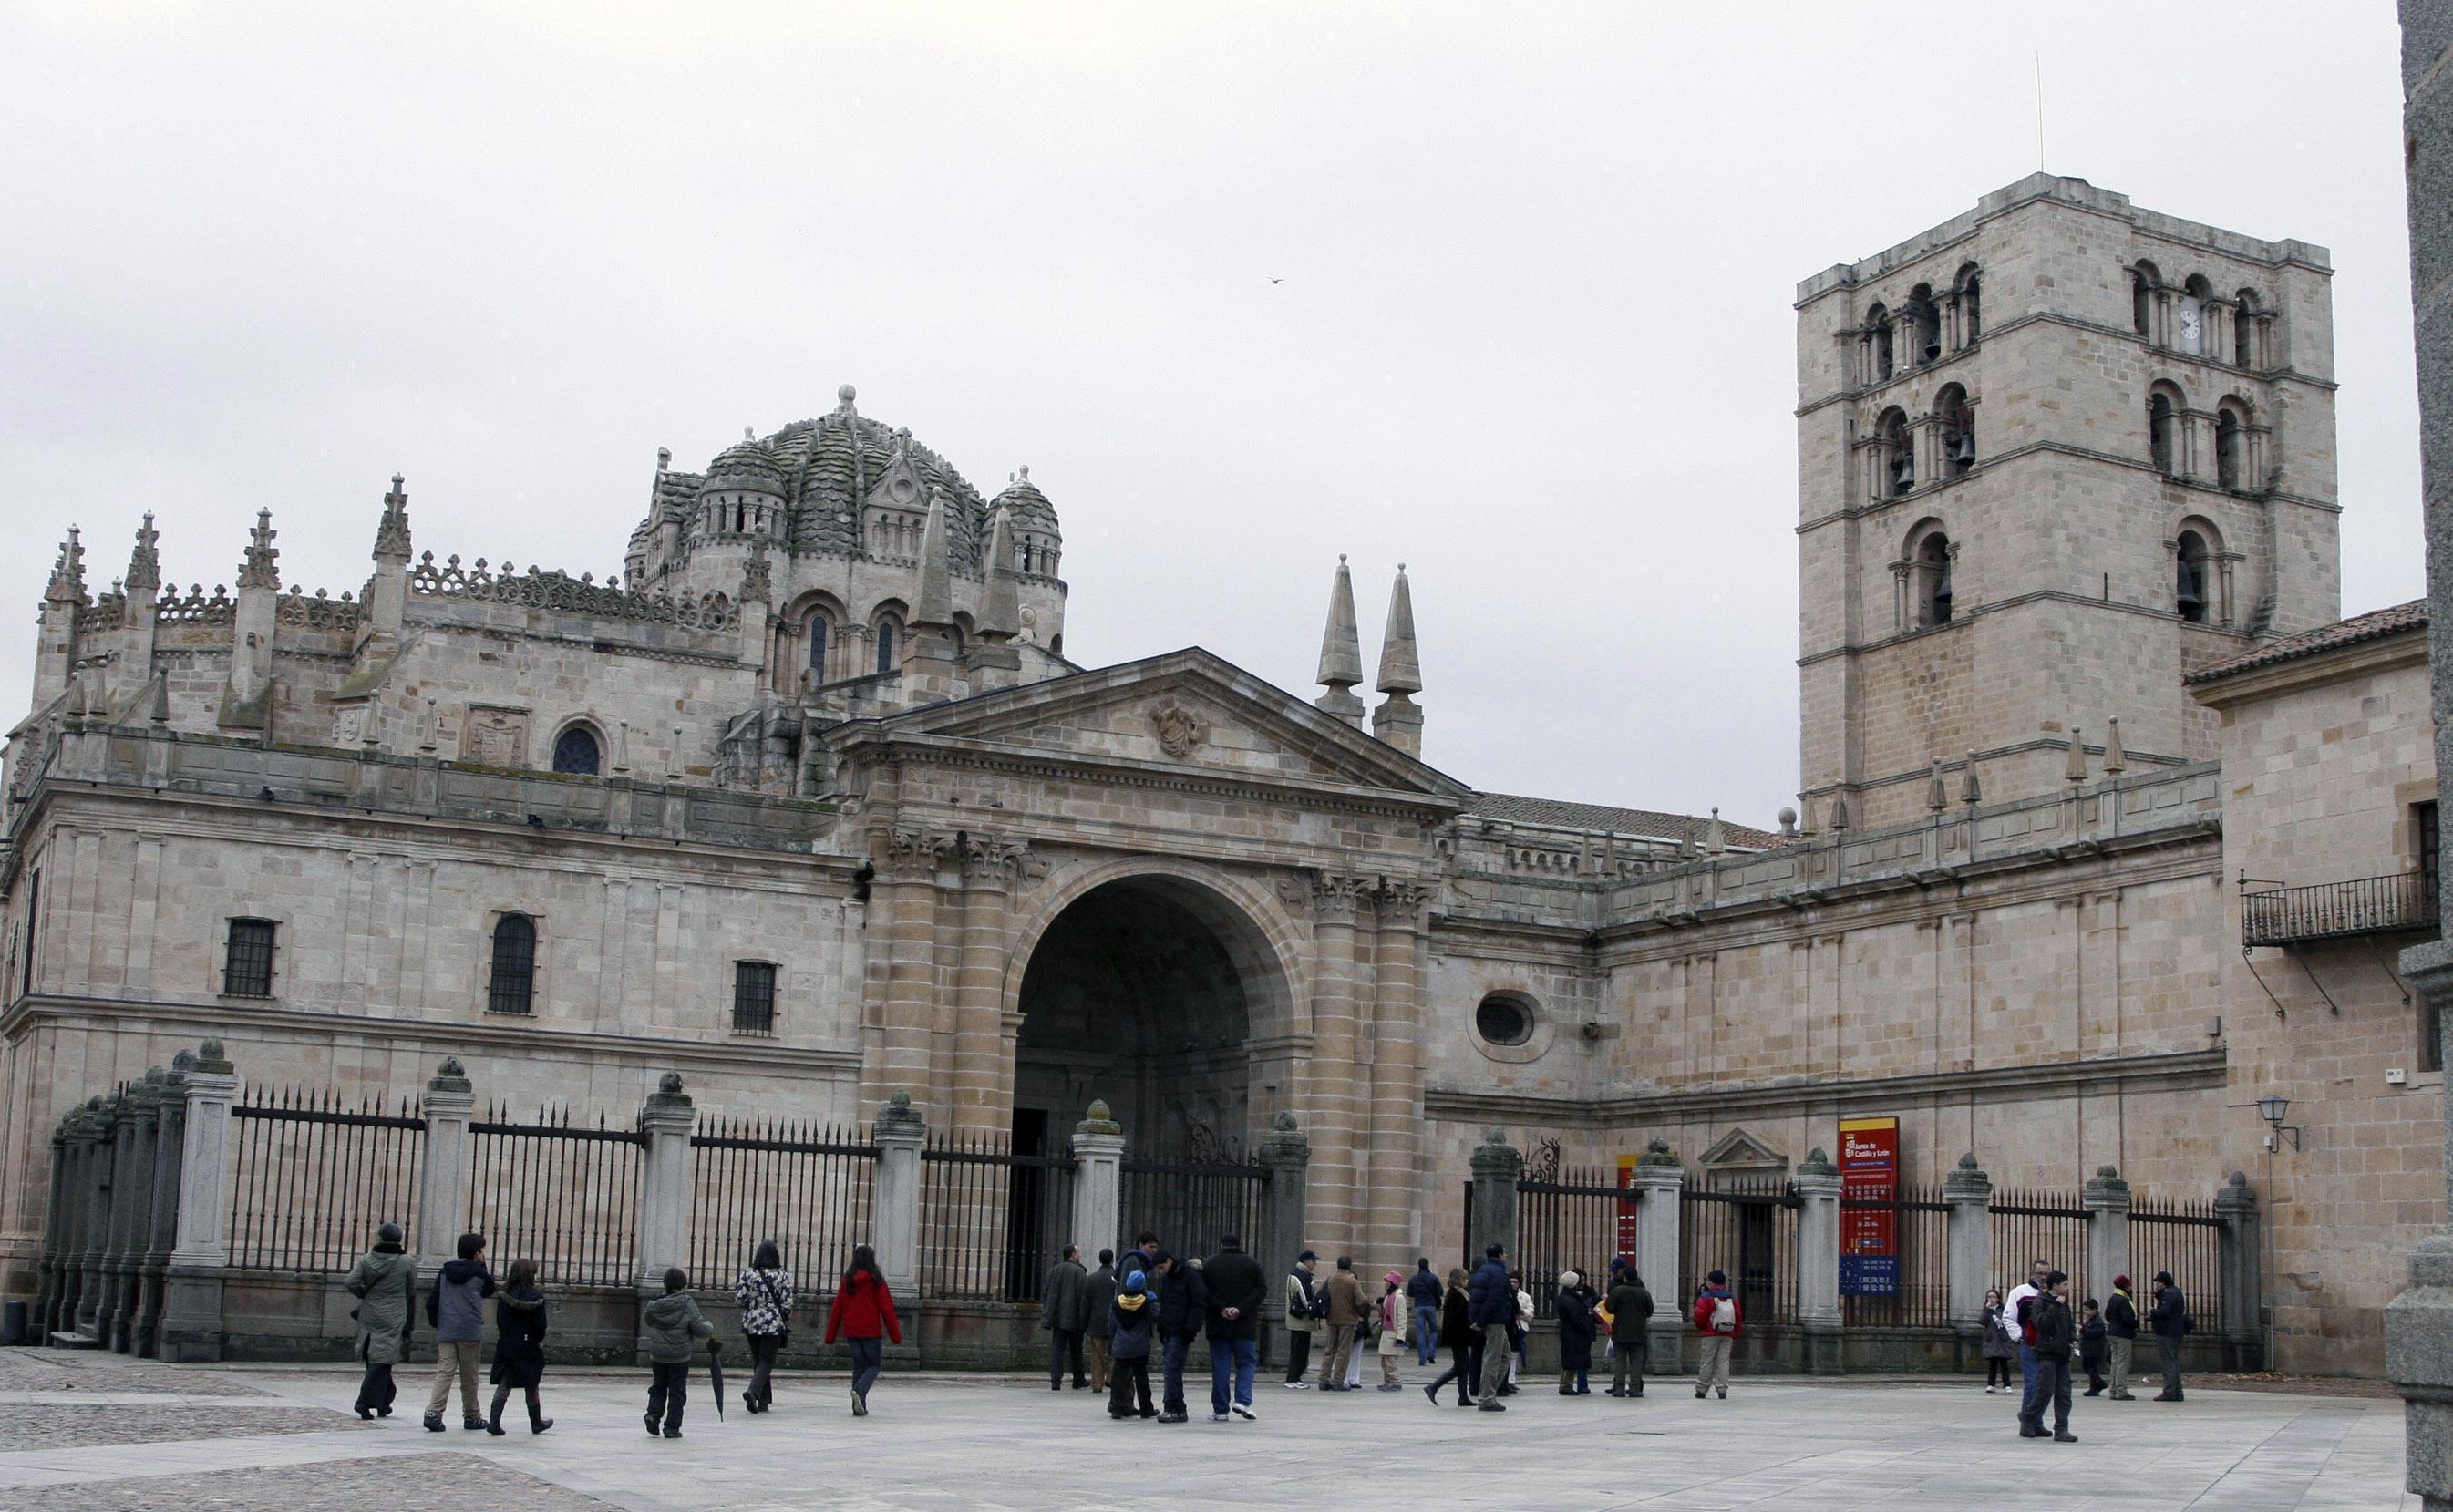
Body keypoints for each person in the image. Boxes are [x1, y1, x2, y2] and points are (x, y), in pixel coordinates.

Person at [422, 1232, 497, 1432]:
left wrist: (437, 1322)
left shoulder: (445, 1272)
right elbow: (489, 1290)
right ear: (477, 1253)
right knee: (469, 1375)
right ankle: (472, 1415)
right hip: (470, 1329)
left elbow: (432, 1301)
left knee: (444, 1371)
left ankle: (434, 1411)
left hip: (447, 1328)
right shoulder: (480, 1274)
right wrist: (483, 1266)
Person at [343, 1220, 415, 1421]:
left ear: (380, 1237)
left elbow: (351, 1281)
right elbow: (411, 1289)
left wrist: (365, 1294)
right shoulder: (406, 1261)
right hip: (394, 1313)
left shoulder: (367, 1259)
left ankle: (384, 1402)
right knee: (383, 1358)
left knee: (375, 1354)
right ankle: (364, 1401)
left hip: (370, 1311)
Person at [823, 1242, 902, 1416]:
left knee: (859, 1366)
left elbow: (837, 1308)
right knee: (874, 1365)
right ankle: (859, 1391)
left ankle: (858, 1406)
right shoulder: (876, 1280)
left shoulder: (848, 1280)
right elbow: (887, 1309)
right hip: (871, 1331)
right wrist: (895, 1336)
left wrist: (830, 1336)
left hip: (852, 1331)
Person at [641, 1265, 714, 1439]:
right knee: (677, 1391)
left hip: (659, 1353)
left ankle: (653, 1415)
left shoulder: (655, 1304)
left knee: (658, 1386)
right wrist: (709, 1327)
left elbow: (648, 1320)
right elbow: (698, 1328)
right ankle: (672, 1427)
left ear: (665, 1284)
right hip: (679, 1355)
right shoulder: (687, 1303)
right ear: (683, 1284)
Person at [1201, 1233, 1265, 1421]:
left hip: (1218, 1323)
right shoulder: (1251, 1264)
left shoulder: (1210, 1264)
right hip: (1244, 1323)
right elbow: (1261, 1290)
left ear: (1221, 1245)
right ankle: (1242, 1400)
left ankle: (1220, 1410)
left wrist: (1222, 1308)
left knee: (1220, 1365)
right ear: (1239, 1245)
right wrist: (1240, 1309)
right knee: (1246, 1362)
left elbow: (1203, 1292)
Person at [486, 1257, 551, 1435]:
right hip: (529, 1345)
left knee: (505, 1383)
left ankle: (494, 1421)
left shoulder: (504, 1296)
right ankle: (536, 1422)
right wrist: (537, 1340)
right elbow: (540, 1325)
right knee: (531, 1383)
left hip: (508, 1344)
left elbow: (500, 1321)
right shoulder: (536, 1297)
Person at [734, 1238, 793, 1414]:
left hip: (752, 1322)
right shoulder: (781, 1275)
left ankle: (763, 1401)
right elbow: (787, 1303)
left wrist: (753, 1307)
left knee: (758, 1359)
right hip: (773, 1322)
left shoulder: (748, 1274)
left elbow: (740, 1298)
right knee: (767, 1360)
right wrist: (782, 1315)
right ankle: (753, 1392)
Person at [2017, 1270, 2077, 1442]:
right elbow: (2041, 1323)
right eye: (2065, 1284)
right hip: (2047, 1353)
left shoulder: (2064, 1304)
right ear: (2055, 1286)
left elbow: (2070, 1325)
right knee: (2045, 1390)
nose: (2068, 1288)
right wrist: (2055, 1306)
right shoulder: (2041, 1301)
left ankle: (2061, 1428)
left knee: (2064, 1393)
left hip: (2063, 1353)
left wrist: (2073, 1338)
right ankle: (2028, 1417)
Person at [1152, 1250, 1207, 1423]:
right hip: (1169, 1330)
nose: (1161, 1271)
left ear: (1169, 1261)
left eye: (1162, 1267)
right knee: (1172, 1370)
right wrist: (1161, 1327)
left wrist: (1190, 1329)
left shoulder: (1189, 1276)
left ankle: (1171, 1407)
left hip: (1181, 1330)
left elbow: (1198, 1304)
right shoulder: (1168, 1278)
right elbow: (1164, 1304)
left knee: (1171, 1369)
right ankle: (1178, 1408)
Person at [2004, 1259, 2052, 1427]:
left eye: (2046, 1274)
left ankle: (2037, 1422)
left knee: (2045, 1386)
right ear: (2032, 1274)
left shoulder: (2052, 1294)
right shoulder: (2020, 1292)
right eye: (2040, 1273)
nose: (2043, 1277)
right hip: (2030, 1344)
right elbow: (2009, 1317)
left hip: (2048, 1346)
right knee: (2033, 1384)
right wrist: (2020, 1336)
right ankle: (2028, 1422)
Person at [1468, 1242, 1514, 1411]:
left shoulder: (1483, 1271)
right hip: (1494, 1320)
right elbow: (1493, 1300)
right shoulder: (1499, 1274)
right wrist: (1481, 1321)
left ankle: (1488, 1390)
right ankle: (1486, 1397)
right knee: (1492, 1359)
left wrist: (1475, 1318)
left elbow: (1476, 1296)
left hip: (1489, 1318)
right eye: (1505, 1253)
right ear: (1500, 1255)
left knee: (1505, 1355)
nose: (1506, 1256)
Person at [1107, 1269, 1158, 1420]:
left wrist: (1113, 1341)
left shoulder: (1117, 1303)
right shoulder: (1146, 1303)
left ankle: (1116, 1408)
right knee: (1142, 1378)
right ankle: (1146, 1408)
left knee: (1118, 1378)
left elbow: (1111, 1325)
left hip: (1121, 1345)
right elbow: (1155, 1317)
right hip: (1140, 1346)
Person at [1424, 1266, 1478, 1406]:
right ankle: (1434, 1387)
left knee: (1463, 1366)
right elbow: (1457, 1317)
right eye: (1465, 1279)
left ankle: (1463, 1397)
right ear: (1458, 1280)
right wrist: (1470, 1326)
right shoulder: (1455, 1294)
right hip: (1458, 1335)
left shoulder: (1460, 1293)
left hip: (1460, 1335)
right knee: (1461, 1366)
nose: (1467, 1281)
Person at [1042, 1242, 1091, 1392]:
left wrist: (1049, 1310)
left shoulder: (1054, 1271)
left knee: (1058, 1349)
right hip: (1074, 1317)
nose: (1080, 1255)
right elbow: (1083, 1297)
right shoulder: (1079, 1272)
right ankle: (1078, 1379)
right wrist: (1084, 1317)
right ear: (1072, 1254)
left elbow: (1046, 1293)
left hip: (1057, 1317)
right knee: (1076, 1350)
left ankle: (1055, 1380)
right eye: (1078, 1252)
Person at [1321, 1255, 1368, 1390]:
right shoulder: (1352, 1281)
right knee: (1343, 1351)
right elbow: (1361, 1300)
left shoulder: (1330, 1279)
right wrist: (1359, 1312)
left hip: (1332, 1318)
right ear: (1349, 1266)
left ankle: (1323, 1379)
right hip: (1348, 1320)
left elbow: (1321, 1294)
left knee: (1330, 1349)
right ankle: (1337, 1380)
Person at [1604, 1265, 1653, 1397]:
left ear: (1625, 1277)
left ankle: (1619, 1387)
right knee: (1636, 1361)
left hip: (1620, 1330)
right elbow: (1650, 1311)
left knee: (1620, 1360)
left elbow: (1609, 1308)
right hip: (1638, 1331)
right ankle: (1635, 1387)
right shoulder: (1644, 1293)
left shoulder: (1618, 1291)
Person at [1692, 1268, 1739, 1400]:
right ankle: (1722, 1389)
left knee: (1707, 1360)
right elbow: (1738, 1315)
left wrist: (1701, 1327)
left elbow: (1700, 1314)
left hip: (1710, 1333)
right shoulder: (1732, 1297)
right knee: (1723, 1361)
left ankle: (1702, 1389)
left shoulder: (1706, 1296)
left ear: (1711, 1282)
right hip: (1728, 1332)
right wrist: (1735, 1332)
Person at [1283, 1250, 1324, 1389]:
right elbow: (1304, 1298)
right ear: (1307, 1261)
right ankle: (1294, 1378)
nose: (1315, 1264)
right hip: (1301, 1319)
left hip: (1294, 1318)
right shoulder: (1302, 1276)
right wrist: (1314, 1308)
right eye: (1313, 1261)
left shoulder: (1294, 1273)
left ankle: (1293, 1378)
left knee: (1296, 1349)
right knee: (1300, 1351)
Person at [1555, 1269, 1597, 1395]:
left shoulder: (1566, 1297)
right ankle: (1566, 1386)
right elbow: (1576, 1318)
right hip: (1573, 1334)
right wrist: (1586, 1324)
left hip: (1570, 1333)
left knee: (1569, 1359)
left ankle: (1565, 1384)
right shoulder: (1570, 1299)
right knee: (1571, 1360)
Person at [2149, 1270, 2189, 1402]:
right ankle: (2177, 1392)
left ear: (2163, 1283)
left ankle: (2170, 1391)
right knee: (2174, 1362)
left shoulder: (2168, 1294)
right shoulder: (2176, 1292)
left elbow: (2165, 1312)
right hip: (2176, 1331)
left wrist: (2153, 1312)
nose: (2156, 1286)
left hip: (2167, 1332)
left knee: (2168, 1363)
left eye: (2157, 1283)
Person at [1083, 1249, 1119, 1395]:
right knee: (1114, 1352)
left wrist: (1084, 1321)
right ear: (1112, 1260)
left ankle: (1097, 1384)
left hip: (1096, 1320)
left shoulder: (1091, 1278)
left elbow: (1086, 1302)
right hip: (1114, 1319)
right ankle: (1111, 1378)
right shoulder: (1117, 1277)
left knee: (1097, 1355)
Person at [2104, 1274, 2140, 1401]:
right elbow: (2127, 1319)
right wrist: (2135, 1323)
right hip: (2123, 1334)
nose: (2131, 1286)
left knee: (2115, 1362)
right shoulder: (2124, 1300)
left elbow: (2107, 1315)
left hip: (2112, 1332)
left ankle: (2113, 1390)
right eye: (2129, 1284)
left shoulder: (2113, 1298)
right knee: (2123, 1363)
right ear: (2125, 1286)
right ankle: (2121, 1391)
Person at [1375, 1270, 1408, 1389]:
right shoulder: (1387, 1297)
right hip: (1386, 1331)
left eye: (1388, 1282)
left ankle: (1395, 1381)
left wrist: (1400, 1337)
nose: (1385, 1284)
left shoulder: (1399, 1298)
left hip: (1393, 1332)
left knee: (1391, 1360)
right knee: (1385, 1359)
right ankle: (1388, 1380)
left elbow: (1402, 1318)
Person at [1407, 1259, 1443, 1367]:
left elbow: (1410, 1293)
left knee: (1420, 1333)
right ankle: (1431, 1353)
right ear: (1427, 1265)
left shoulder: (1414, 1278)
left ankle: (1422, 1359)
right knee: (1433, 1330)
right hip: (1431, 1306)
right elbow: (1440, 1292)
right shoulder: (1433, 1278)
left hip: (1419, 1306)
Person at [1980, 1287, 2016, 1393]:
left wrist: (2002, 1322)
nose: (1991, 1299)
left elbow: (2009, 1320)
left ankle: (2007, 1385)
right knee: (1993, 1363)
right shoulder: (1986, 1310)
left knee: (2004, 1363)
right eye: (1989, 1297)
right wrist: (1987, 1310)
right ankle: (1991, 1384)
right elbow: (1982, 1321)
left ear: (1998, 1299)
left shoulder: (2003, 1309)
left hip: (2002, 1338)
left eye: (1993, 1296)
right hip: (1991, 1339)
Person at [1510, 1271, 1533, 1391]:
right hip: (1509, 1326)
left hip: (1520, 1328)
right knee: (1509, 1355)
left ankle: (1511, 1380)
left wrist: (1522, 1312)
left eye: (1515, 1282)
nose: (1513, 1284)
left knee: (1515, 1355)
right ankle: (1508, 1380)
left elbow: (1531, 1312)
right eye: (1511, 1282)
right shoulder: (1506, 1294)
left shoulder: (1525, 1297)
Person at [2079, 1298, 2108, 1396]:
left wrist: (2084, 1330)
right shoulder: (2090, 1320)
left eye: (2088, 1310)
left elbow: (2095, 1334)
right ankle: (2099, 1383)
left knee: (2092, 1369)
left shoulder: (2097, 1321)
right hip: (2088, 1349)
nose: (2086, 1313)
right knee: (2087, 1368)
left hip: (2093, 1350)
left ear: (2094, 1310)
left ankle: (2095, 1386)